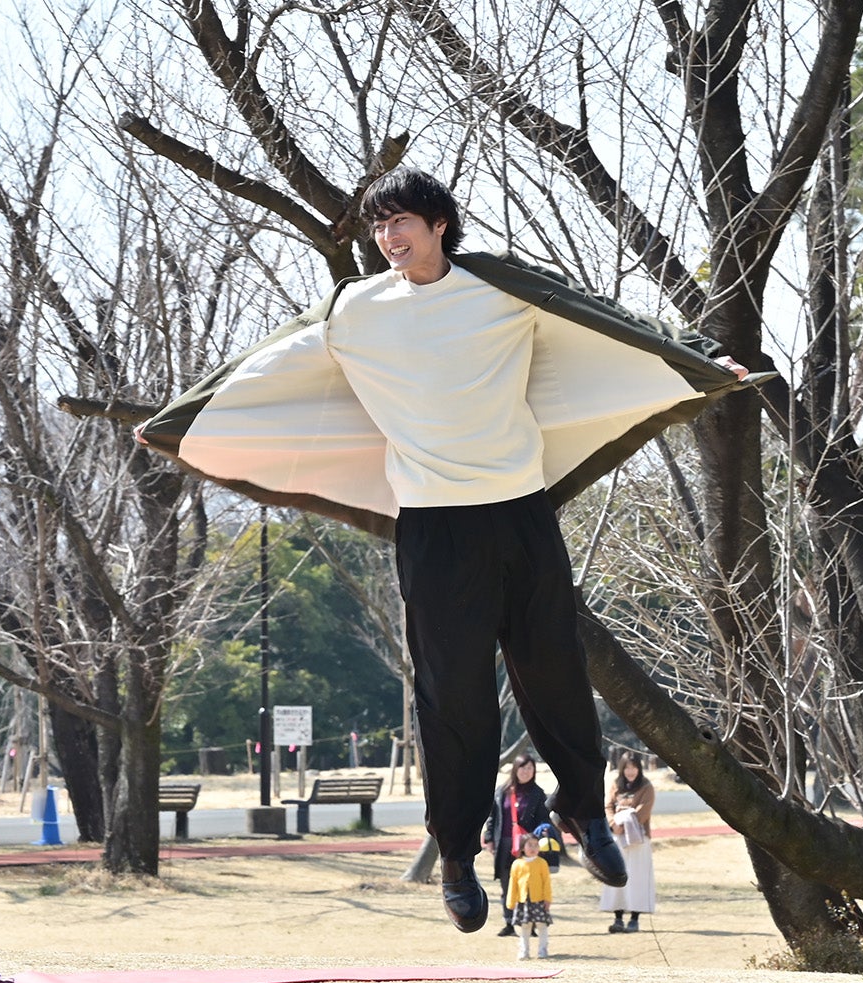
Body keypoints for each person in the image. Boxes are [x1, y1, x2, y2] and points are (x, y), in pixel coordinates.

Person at [136, 166, 751, 933]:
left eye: (401, 221)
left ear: (439, 225)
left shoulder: (503, 288)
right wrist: (182, 418)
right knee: (451, 698)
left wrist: (697, 356)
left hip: (520, 511)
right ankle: (457, 855)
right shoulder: (355, 310)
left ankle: (586, 815)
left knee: (555, 667)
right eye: (378, 225)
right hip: (434, 527)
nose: (388, 237)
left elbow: (606, 321)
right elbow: (267, 362)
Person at [482, 754, 551, 936]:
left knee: (529, 884)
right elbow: (492, 817)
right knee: (507, 884)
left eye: (530, 768)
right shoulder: (502, 791)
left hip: (527, 846)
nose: (526, 772)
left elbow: (544, 819)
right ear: (515, 769)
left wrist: (541, 832)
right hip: (504, 843)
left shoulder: (537, 793)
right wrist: (489, 838)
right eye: (523, 767)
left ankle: (531, 924)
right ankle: (509, 923)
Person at [600, 753, 657, 932]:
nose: (630, 771)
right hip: (618, 837)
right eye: (627, 767)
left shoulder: (646, 787)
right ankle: (618, 917)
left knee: (637, 877)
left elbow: (644, 810)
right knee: (617, 873)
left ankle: (634, 918)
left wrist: (626, 822)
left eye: (634, 767)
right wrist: (613, 823)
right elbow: (608, 806)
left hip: (638, 838)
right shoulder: (616, 785)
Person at [506, 832, 554, 959]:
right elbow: (513, 883)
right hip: (523, 900)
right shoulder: (517, 864)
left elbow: (546, 882)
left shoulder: (542, 863)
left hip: (539, 900)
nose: (533, 848)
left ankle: (542, 951)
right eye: (530, 845)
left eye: (536, 845)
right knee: (525, 927)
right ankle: (524, 951)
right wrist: (510, 902)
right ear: (522, 847)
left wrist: (547, 899)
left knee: (541, 925)